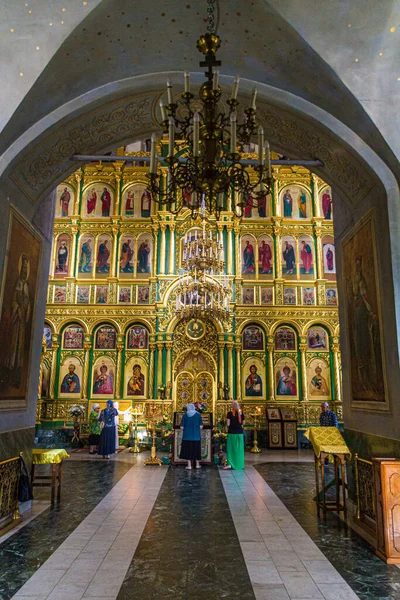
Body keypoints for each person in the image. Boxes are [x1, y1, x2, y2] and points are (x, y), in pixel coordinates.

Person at [179, 403, 203, 470]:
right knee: (196, 451)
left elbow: (181, 427)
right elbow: (201, 426)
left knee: (188, 451)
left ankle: (189, 465)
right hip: (196, 437)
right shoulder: (198, 415)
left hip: (186, 437)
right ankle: (197, 464)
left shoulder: (185, 415)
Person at [223, 401, 246, 470]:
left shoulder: (229, 413)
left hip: (232, 434)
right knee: (239, 450)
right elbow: (243, 423)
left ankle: (230, 464)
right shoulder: (241, 413)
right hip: (239, 433)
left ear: (232, 406)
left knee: (231, 449)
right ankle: (240, 464)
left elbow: (228, 424)